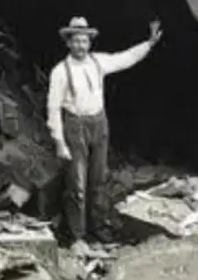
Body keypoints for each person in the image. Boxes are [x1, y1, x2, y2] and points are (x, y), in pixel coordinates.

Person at [47, 16, 163, 255]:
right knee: (77, 182)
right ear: (68, 43)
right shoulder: (60, 72)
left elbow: (125, 58)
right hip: (74, 125)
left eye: (85, 41)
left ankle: (97, 227)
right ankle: (77, 236)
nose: (81, 45)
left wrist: (149, 43)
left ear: (90, 42)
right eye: (76, 41)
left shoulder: (98, 62)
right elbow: (53, 108)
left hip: (99, 123)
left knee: (99, 178)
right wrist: (59, 141)